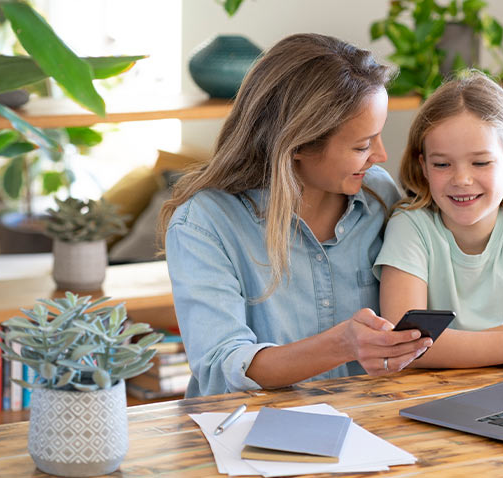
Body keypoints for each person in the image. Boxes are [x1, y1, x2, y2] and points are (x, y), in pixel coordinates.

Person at [159, 33, 432, 397]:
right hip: (250, 434)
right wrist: (342, 344)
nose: (380, 155)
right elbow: (221, 368)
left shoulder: (377, 195)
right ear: (299, 143)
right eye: (363, 145)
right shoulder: (205, 224)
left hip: (369, 423)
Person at [374, 71, 503, 369]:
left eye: (481, 162)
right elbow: (404, 345)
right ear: (424, 167)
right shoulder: (410, 226)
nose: (462, 179)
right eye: (442, 164)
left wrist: (445, 346)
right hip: (425, 391)